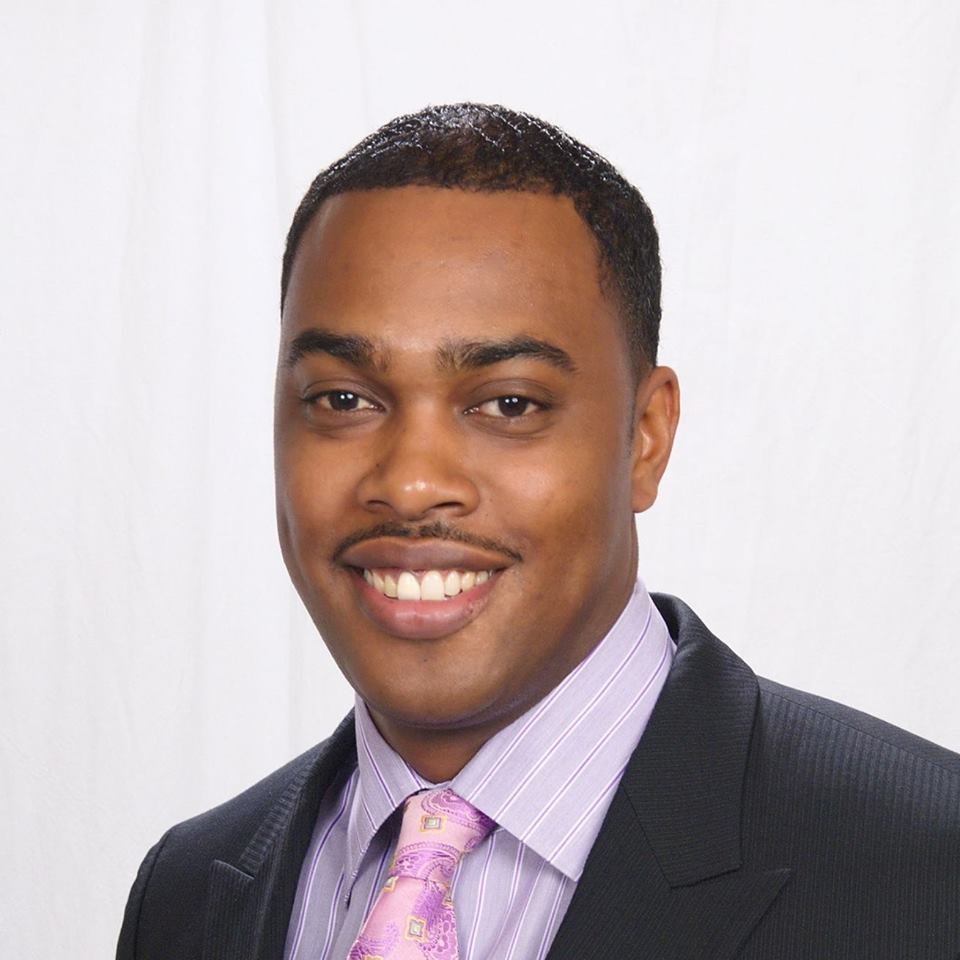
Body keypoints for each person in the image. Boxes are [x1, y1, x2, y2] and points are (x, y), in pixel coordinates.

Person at [117, 103, 960, 960]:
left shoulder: (929, 872)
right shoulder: (183, 898)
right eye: (343, 399)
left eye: (509, 405)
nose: (411, 482)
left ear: (645, 437)